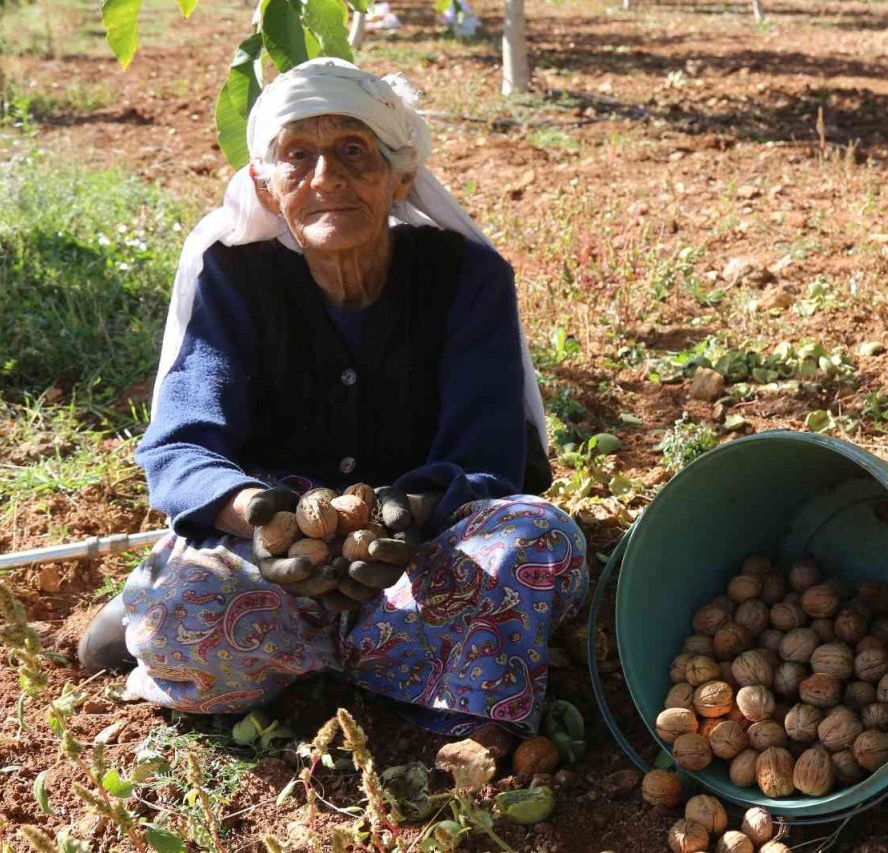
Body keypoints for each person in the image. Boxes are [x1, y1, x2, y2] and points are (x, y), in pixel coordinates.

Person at [76, 58, 588, 737]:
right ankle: (393, 660)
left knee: (542, 539)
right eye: (298, 156)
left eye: (354, 152)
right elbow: (182, 445)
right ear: (265, 183)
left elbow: (486, 451)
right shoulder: (236, 281)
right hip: (277, 565)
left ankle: (308, 657)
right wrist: (258, 514)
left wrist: (406, 512)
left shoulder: (466, 278)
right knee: (179, 615)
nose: (326, 179)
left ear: (399, 175)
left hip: (421, 551)